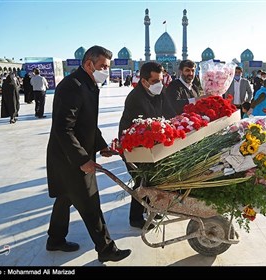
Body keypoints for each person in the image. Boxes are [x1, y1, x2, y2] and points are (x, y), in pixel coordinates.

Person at [46, 45, 131, 263]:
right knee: (90, 202)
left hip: (71, 154)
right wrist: (83, 159)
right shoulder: (73, 86)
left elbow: (87, 123)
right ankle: (106, 248)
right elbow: (63, 128)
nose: (106, 71)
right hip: (70, 158)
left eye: (108, 67)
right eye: (103, 66)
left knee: (65, 197)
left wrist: (101, 145)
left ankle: (55, 239)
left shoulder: (87, 84)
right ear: (88, 64)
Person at [118, 62, 176, 229]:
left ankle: (153, 208)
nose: (160, 84)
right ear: (144, 81)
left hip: (150, 144)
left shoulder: (158, 92)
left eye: (161, 79)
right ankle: (135, 218)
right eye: (156, 80)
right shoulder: (135, 98)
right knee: (141, 181)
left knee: (153, 179)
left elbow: (170, 112)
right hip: (134, 147)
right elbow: (146, 123)